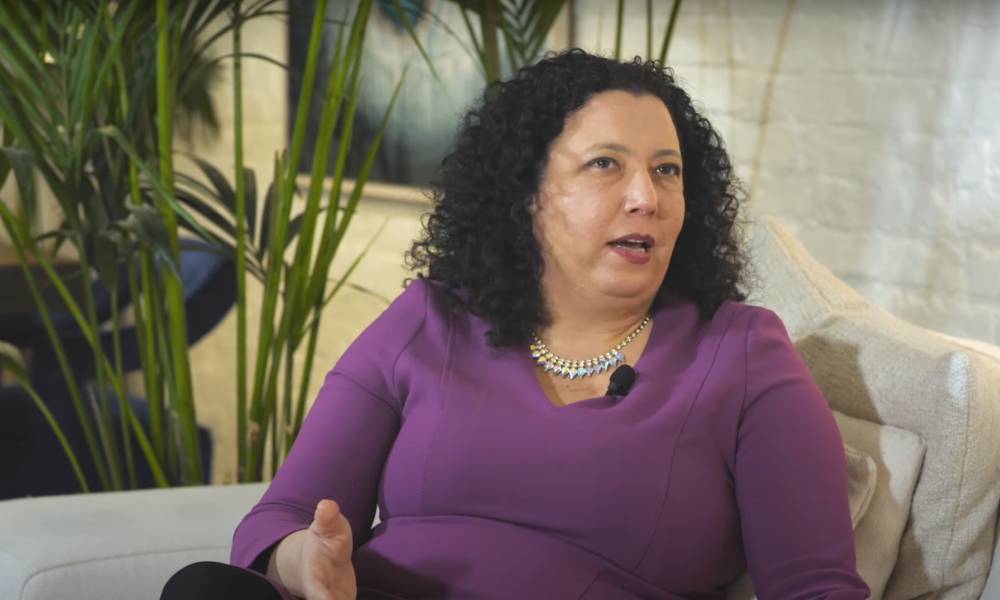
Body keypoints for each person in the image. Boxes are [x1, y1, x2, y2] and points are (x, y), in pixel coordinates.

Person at [162, 49, 870, 600]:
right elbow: (277, 518)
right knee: (201, 589)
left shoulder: (743, 352)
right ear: (527, 194)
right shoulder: (429, 319)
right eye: (605, 165)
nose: (645, 197)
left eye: (667, 171)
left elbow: (816, 589)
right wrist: (305, 561)